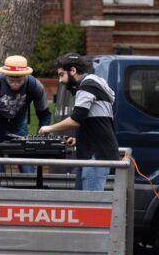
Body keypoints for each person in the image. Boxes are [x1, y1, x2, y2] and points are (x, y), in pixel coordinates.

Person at [38, 53, 119, 191]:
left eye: (61, 75)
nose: (60, 80)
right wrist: (79, 140)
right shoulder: (94, 84)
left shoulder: (87, 86)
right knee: (81, 201)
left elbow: (76, 120)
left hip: (96, 156)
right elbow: (95, 122)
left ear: (73, 70)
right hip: (91, 154)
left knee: (91, 202)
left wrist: (49, 128)